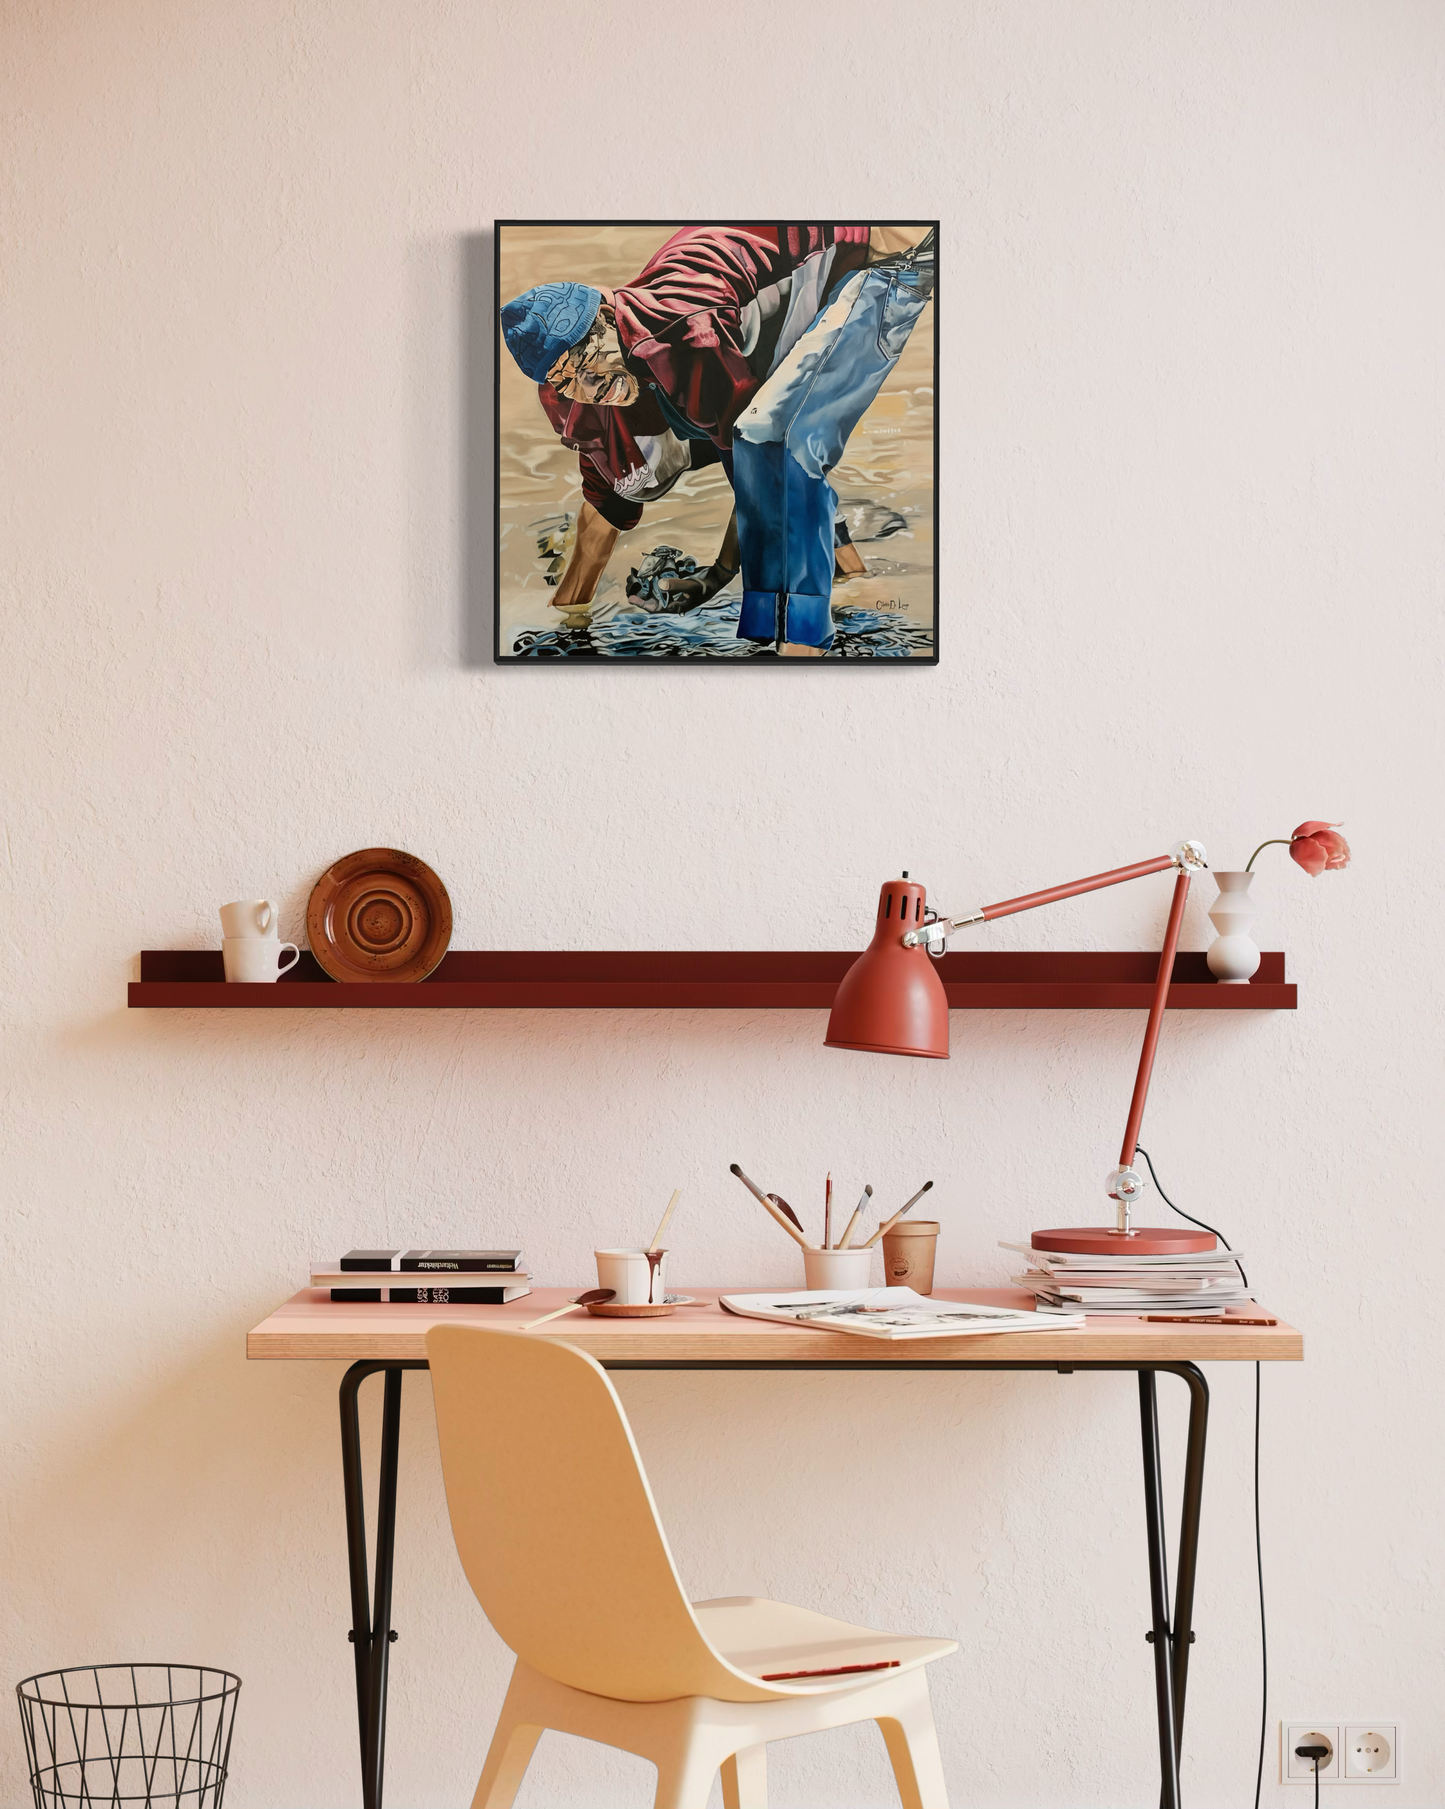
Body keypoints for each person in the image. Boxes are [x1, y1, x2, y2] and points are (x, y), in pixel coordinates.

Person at [500, 225, 932, 653]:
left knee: (766, 441)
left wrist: (717, 575)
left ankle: (801, 643)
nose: (589, 384)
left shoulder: (686, 336)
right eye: (565, 378)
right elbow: (605, 506)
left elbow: (757, 476)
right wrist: (569, 619)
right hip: (752, 330)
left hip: (875, 259)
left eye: (589, 357)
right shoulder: (578, 402)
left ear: (612, 319)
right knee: (648, 471)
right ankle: (850, 575)